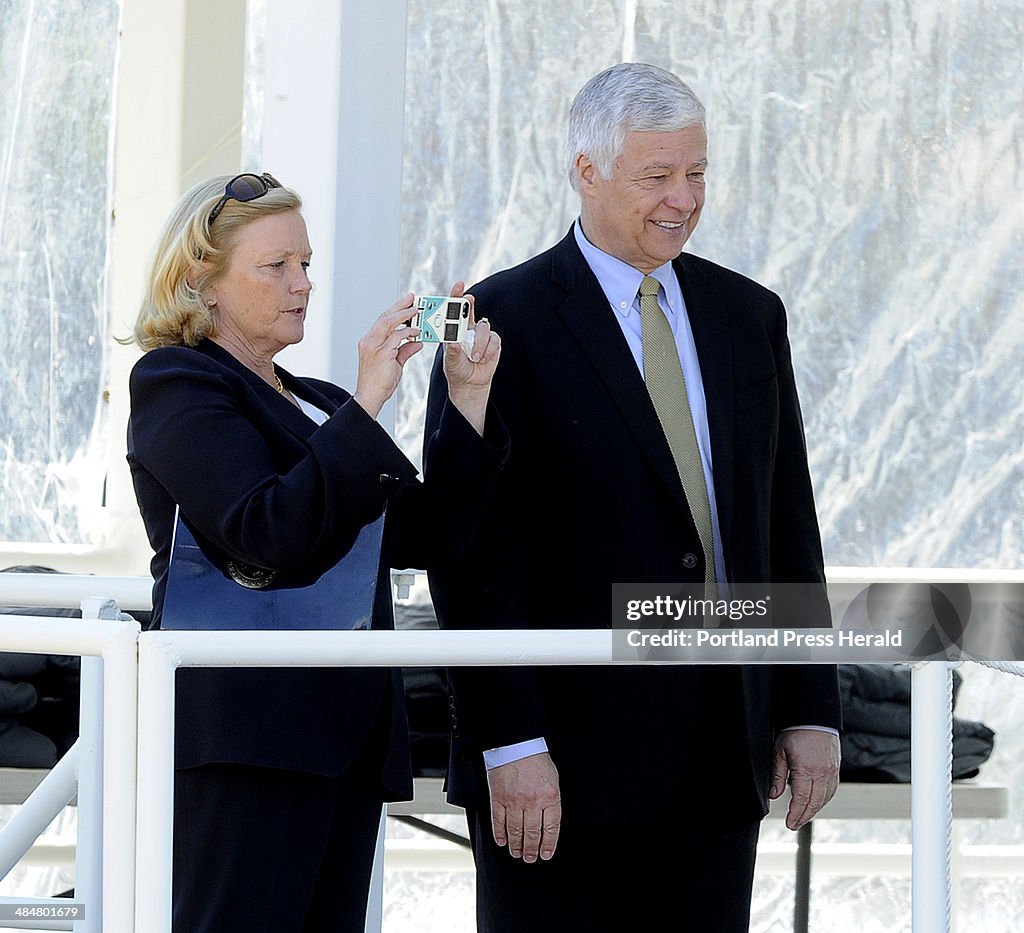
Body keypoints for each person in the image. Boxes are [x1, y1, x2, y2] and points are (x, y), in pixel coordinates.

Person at [425, 62, 842, 932]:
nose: (682, 199)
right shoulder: (495, 318)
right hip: (558, 764)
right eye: (656, 176)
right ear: (585, 170)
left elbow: (783, 520)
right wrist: (511, 738)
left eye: (696, 173)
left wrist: (807, 706)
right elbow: (473, 550)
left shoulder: (748, 314)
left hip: (721, 755)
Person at [125, 171, 504, 933]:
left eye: (306, 264)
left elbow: (434, 533)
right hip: (243, 743)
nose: (303, 284)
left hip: (345, 740)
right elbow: (266, 531)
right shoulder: (176, 383)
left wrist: (466, 396)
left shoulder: (323, 402)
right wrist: (367, 405)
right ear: (202, 280)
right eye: (276, 266)